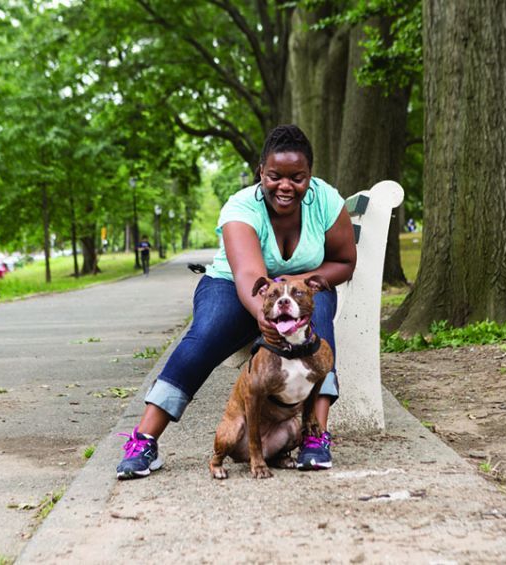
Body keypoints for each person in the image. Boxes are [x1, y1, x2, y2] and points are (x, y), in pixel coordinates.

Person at [116, 124, 357, 479]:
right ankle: (144, 440)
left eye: (298, 177)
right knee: (206, 335)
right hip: (231, 286)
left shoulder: (326, 202)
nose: (286, 186)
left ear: (310, 176)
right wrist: (266, 313)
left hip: (303, 293)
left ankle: (315, 438)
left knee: (317, 326)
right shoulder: (241, 207)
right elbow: (247, 274)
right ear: (261, 171)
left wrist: (300, 286)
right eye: (275, 176)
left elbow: (345, 261)